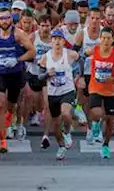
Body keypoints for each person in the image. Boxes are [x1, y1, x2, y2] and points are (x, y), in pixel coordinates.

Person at [0, 5, 36, 153]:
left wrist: (17, 59)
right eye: (1, 18)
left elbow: (32, 52)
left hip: (15, 73)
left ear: (11, 18)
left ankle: (10, 115)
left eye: (7, 18)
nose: (5, 21)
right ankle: (2, 140)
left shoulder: (18, 34)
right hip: (0, 73)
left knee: (11, 105)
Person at [39, 29, 78, 161]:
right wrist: (46, 74)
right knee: (56, 125)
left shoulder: (70, 54)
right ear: (51, 41)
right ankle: (61, 146)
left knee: (66, 113)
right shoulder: (46, 57)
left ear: (63, 41)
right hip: (53, 93)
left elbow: (82, 60)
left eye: (59, 39)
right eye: (54, 39)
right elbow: (39, 76)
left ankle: (67, 132)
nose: (57, 41)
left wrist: (80, 76)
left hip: (67, 90)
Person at [87, 26, 114, 159]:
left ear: (113, 40)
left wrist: (113, 77)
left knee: (110, 121)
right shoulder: (94, 50)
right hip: (95, 87)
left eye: (108, 38)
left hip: (110, 91)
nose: (106, 41)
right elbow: (80, 56)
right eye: (104, 38)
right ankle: (96, 123)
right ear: (100, 39)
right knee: (96, 112)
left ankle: (106, 145)